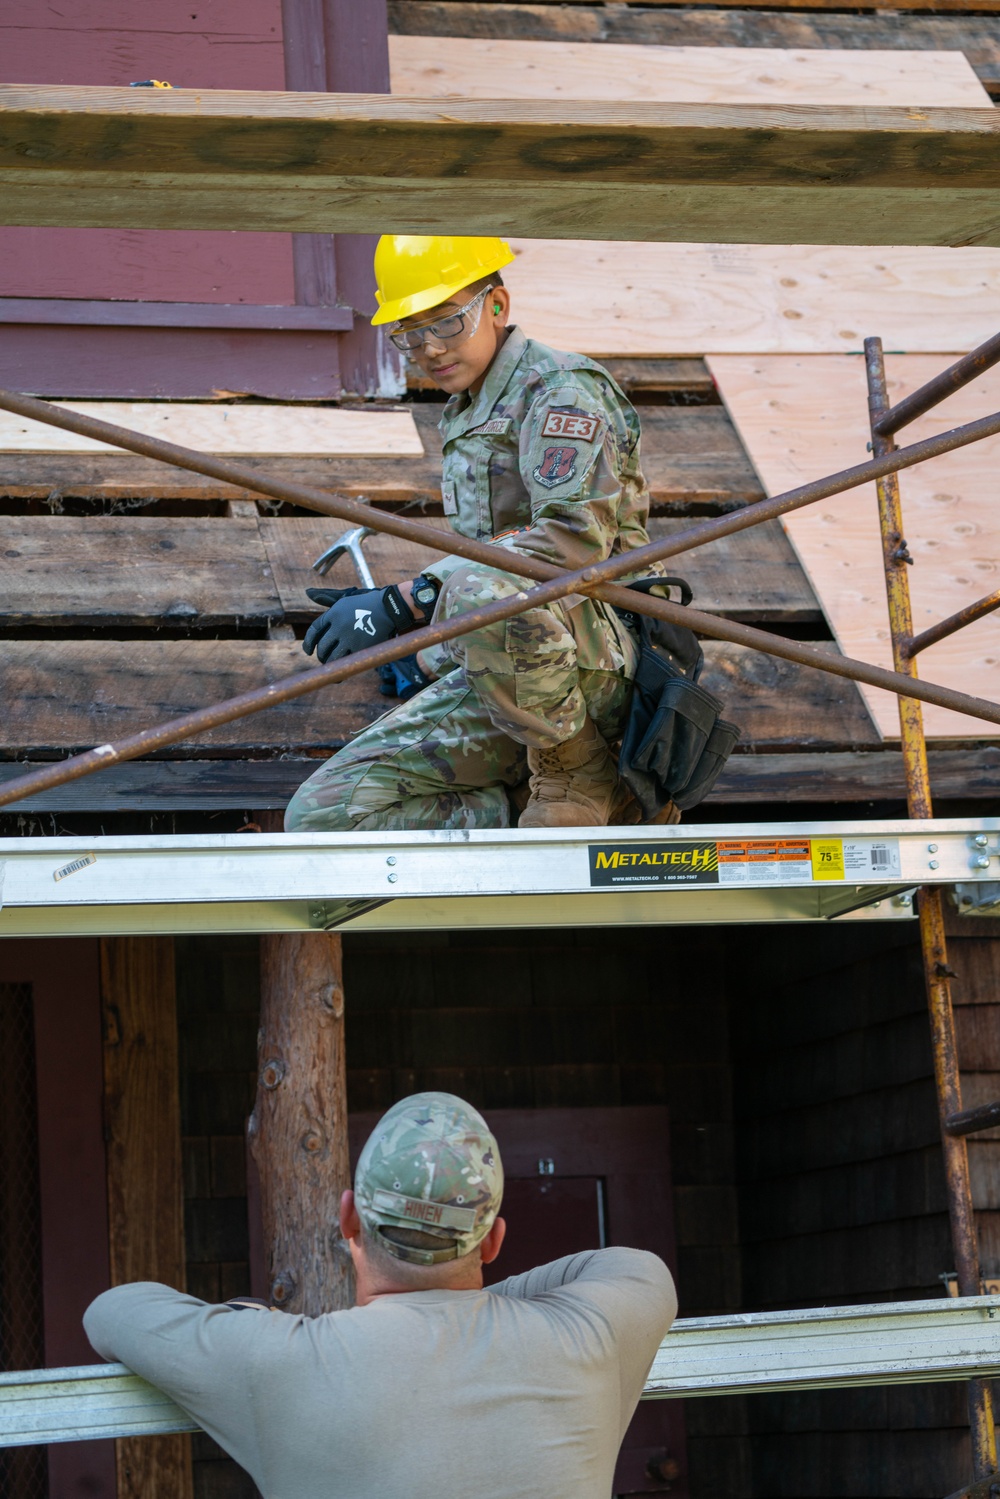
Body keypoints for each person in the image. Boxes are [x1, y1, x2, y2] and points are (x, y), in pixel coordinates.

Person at [84, 1092, 677, 1499]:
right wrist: (476, 1298)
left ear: (348, 1219)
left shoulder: (283, 1362)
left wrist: (257, 1322)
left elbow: (111, 1313)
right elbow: (633, 1267)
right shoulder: (591, 1333)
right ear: (493, 1240)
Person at [284, 234, 668, 834]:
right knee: (326, 815)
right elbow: (493, 554)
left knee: (480, 593)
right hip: (520, 668)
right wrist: (430, 641)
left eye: (448, 321)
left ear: (497, 306)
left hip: (602, 660)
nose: (431, 347)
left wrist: (409, 601)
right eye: (409, 332)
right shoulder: (471, 405)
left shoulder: (559, 391)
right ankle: (541, 806)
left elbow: (571, 543)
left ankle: (580, 770)